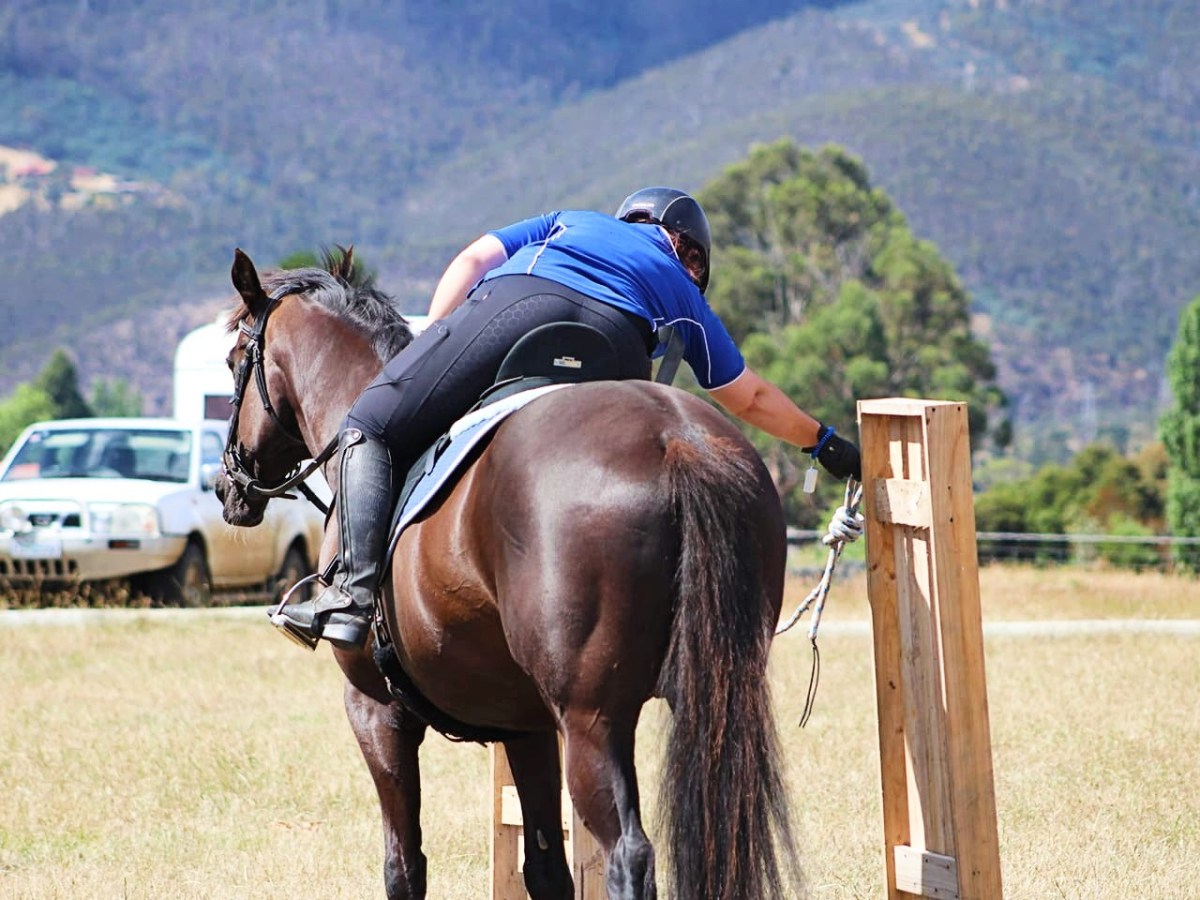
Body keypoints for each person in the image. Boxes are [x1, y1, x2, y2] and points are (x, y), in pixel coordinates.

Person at [272, 187, 863, 651]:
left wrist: (431, 339)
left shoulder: (571, 220)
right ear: (687, 251)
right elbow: (750, 398)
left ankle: (349, 597)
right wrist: (825, 444)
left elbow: (475, 258)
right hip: (618, 345)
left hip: (517, 306)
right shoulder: (684, 293)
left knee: (372, 422)